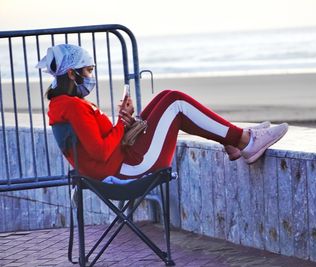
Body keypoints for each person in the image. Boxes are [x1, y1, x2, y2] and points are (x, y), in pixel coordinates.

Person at [37, 44, 288, 183]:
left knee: (165, 96)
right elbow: (101, 152)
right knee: (176, 103)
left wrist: (125, 121)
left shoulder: (64, 105)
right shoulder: (71, 106)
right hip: (129, 168)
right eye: (88, 70)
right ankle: (246, 141)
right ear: (71, 73)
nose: (90, 76)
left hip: (121, 161)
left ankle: (232, 141)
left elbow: (99, 145)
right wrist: (122, 126)